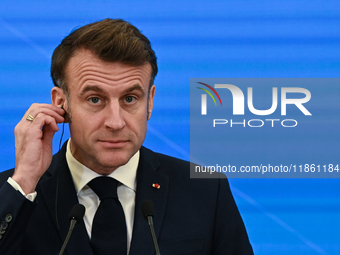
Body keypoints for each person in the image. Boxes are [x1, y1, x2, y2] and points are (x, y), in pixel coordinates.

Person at [0, 18, 253, 255]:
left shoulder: (205, 190)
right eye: (95, 99)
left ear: (150, 101)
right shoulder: (13, 193)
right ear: (61, 103)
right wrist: (23, 182)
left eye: (130, 99)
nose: (115, 122)